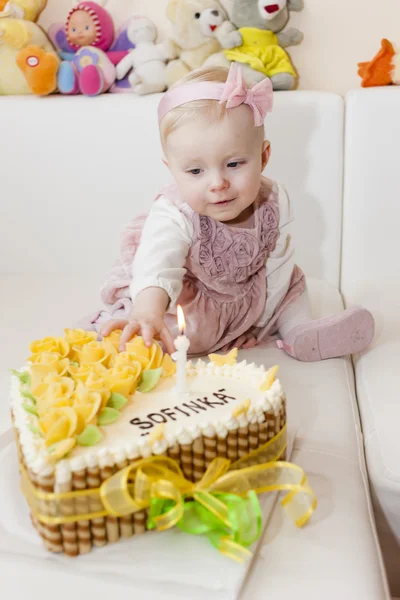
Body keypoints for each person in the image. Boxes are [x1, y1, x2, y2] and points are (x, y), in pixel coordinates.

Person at [81, 63, 375, 361]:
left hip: (254, 297)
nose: (218, 183)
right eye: (195, 170)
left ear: (263, 157)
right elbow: (158, 263)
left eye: (234, 164)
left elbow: (278, 268)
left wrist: (260, 323)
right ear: (172, 170)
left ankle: (302, 332)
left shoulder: (274, 199)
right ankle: (140, 337)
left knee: (293, 289)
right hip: (192, 299)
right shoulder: (175, 212)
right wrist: (148, 310)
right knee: (173, 328)